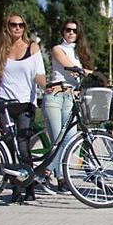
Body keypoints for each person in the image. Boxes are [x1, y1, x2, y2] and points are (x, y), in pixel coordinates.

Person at [0, 13, 46, 203]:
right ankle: (14, 188)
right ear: (7, 27)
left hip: (25, 104)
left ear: (24, 27)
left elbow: (39, 75)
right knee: (8, 147)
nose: (17, 28)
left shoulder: (32, 47)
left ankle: (29, 187)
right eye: (13, 25)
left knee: (23, 146)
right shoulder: (1, 50)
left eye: (21, 25)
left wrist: (49, 86)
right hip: (4, 105)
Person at [42, 18, 93, 194]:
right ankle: (47, 173)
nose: (70, 33)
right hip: (55, 98)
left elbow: (78, 76)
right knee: (57, 140)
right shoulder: (58, 49)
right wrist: (91, 73)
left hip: (70, 98)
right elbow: (68, 66)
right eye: (67, 30)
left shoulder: (80, 54)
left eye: (74, 30)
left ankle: (60, 177)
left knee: (70, 140)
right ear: (62, 32)